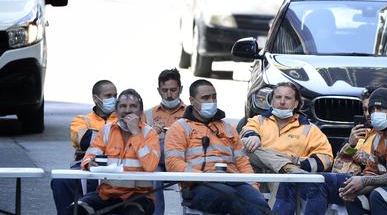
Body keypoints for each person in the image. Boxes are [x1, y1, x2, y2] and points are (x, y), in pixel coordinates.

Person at [272, 85, 387, 215]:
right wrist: (356, 185)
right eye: (371, 110)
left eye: (379, 109)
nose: (373, 114)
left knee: (378, 195)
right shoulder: (379, 137)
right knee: (353, 196)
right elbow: (371, 171)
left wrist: (363, 182)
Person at [164, 79, 270, 215]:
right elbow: (173, 163)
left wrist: (253, 186)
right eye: (205, 98)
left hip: (234, 181)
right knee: (230, 197)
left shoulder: (228, 128)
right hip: (199, 186)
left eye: (214, 97)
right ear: (192, 100)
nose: (211, 101)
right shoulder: (179, 128)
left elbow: (242, 162)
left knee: (258, 201)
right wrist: (203, 177)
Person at [240, 82, 333, 205]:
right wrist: (253, 136)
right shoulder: (258, 120)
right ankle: (286, 167)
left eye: (287, 98)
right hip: (259, 175)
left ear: (296, 103)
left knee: (282, 180)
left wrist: (296, 162)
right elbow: (246, 132)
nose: (282, 102)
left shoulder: (310, 129)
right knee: (245, 145)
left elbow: (326, 159)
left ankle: (286, 168)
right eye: (278, 97)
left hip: (289, 179)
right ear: (272, 101)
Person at [75, 89, 160, 215]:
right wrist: (90, 163)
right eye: (123, 106)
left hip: (139, 195)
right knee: (76, 209)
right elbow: (88, 157)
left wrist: (136, 132)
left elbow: (151, 165)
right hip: (107, 194)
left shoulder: (150, 133)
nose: (127, 110)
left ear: (141, 112)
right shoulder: (107, 130)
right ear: (116, 110)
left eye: (133, 106)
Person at [51, 80, 118, 215]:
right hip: (83, 164)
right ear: (95, 98)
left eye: (115, 95)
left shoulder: (122, 117)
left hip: (116, 164)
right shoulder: (81, 120)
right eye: (108, 95)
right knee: (60, 181)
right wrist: (114, 138)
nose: (113, 99)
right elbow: (84, 140)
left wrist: (96, 136)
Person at [143, 68, 186, 215]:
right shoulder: (148, 114)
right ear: (159, 90)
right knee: (155, 175)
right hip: (157, 162)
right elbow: (138, 142)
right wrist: (151, 133)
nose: (169, 95)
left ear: (180, 89)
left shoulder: (191, 113)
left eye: (173, 90)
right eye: (164, 90)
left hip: (183, 159)